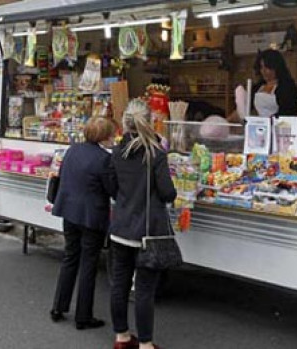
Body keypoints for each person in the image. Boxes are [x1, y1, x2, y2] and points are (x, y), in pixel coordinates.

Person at [109, 99, 177, 349]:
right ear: (149, 122)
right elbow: (168, 193)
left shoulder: (117, 152)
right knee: (144, 290)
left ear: (125, 123)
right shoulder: (156, 154)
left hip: (120, 228)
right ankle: (146, 345)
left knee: (120, 284)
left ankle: (122, 337)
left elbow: (112, 188)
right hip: (147, 232)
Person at [49, 116, 117, 330]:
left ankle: (58, 307)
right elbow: (112, 190)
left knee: (70, 257)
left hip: (69, 211)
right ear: (104, 137)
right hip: (91, 216)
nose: (113, 138)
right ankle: (83, 316)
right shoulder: (103, 159)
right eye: (111, 135)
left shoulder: (72, 150)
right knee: (88, 264)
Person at [249, 49, 297, 118]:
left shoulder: (287, 87)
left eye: (267, 67)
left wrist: (270, 120)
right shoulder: (258, 86)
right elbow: (247, 106)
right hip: (261, 125)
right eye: (261, 67)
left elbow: (288, 112)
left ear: (276, 67)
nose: (263, 71)